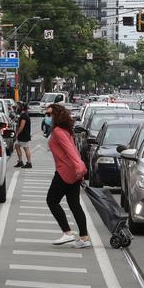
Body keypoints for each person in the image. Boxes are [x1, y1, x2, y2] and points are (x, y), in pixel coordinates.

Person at [45, 104, 91, 248]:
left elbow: (71, 150)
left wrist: (80, 166)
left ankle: (67, 233)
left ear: (56, 115)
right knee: (74, 204)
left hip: (65, 171)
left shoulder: (59, 131)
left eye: (49, 114)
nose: (48, 117)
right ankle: (84, 238)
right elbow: (73, 150)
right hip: (73, 172)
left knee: (51, 200)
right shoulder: (66, 131)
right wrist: (79, 168)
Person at [14, 102, 33, 168]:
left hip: (23, 135)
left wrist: (17, 133)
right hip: (21, 136)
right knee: (16, 146)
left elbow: (22, 126)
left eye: (18, 106)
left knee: (26, 148)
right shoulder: (23, 115)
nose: (17, 108)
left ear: (22, 107)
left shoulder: (24, 116)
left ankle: (29, 163)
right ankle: (20, 161)